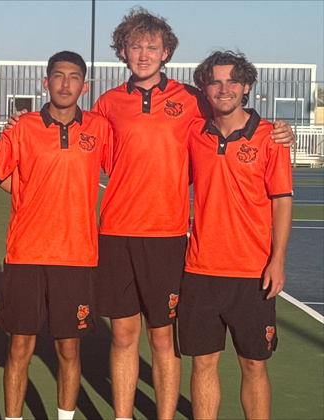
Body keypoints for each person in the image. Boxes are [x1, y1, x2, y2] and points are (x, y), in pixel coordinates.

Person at [90, 8, 295, 419]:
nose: (144, 54)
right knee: (124, 336)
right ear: (122, 51)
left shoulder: (191, 100)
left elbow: (234, 114)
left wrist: (280, 129)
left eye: (152, 46)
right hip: (117, 232)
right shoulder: (108, 103)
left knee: (164, 339)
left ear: (166, 51)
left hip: (168, 238)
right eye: (135, 46)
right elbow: (94, 150)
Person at [0, 51, 113, 420]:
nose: (65, 84)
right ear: (46, 82)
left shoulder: (100, 128)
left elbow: (129, 166)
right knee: (19, 348)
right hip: (26, 255)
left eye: (73, 77)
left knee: (69, 350)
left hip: (76, 256)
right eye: (58, 76)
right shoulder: (24, 128)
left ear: (84, 87)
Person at [181, 50, 292, 420]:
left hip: (252, 273)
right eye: (215, 80)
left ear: (246, 86)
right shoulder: (195, 134)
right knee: (203, 364)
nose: (224, 88)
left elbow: (281, 203)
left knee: (254, 366)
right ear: (204, 87)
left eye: (232, 81)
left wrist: (277, 260)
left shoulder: (271, 137)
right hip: (200, 271)